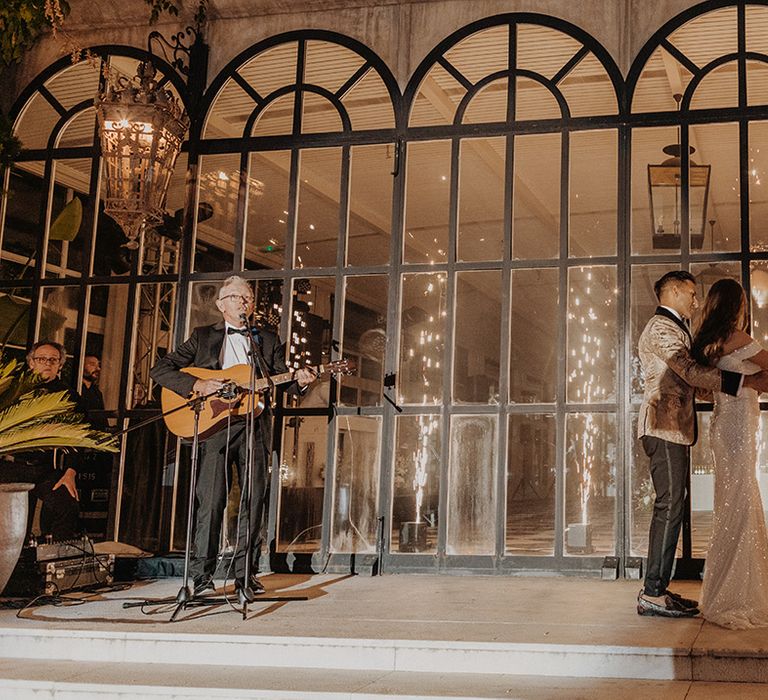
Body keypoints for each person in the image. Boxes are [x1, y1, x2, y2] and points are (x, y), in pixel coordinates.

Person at [150, 275, 315, 600]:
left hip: (254, 426)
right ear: (221, 303)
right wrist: (199, 385)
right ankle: (201, 577)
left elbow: (284, 380)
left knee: (254, 500)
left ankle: (245, 576)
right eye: (236, 297)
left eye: (247, 298)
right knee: (211, 502)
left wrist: (303, 380)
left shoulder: (266, 339)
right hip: (213, 425)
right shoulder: (201, 337)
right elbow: (161, 370)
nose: (243, 302)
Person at [636, 271, 768, 618]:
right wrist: (745, 381)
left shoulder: (678, 329)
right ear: (674, 291)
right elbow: (690, 372)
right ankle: (652, 592)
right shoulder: (661, 328)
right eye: (692, 294)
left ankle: (659, 589)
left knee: (673, 506)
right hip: (662, 426)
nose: (696, 302)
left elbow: (691, 381)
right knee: (669, 506)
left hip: (674, 428)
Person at [691, 279, 768, 628]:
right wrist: (759, 380)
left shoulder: (709, 344)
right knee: (741, 500)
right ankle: (739, 593)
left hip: (723, 426)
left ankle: (724, 590)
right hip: (739, 426)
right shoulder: (738, 338)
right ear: (736, 306)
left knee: (731, 502)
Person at [0, 341, 82, 540]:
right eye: (41, 359)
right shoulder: (14, 390)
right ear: (31, 363)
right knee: (12, 523)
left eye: (53, 360)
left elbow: (80, 436)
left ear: (60, 365)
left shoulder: (68, 395)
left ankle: (56, 560)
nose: (47, 363)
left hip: (45, 470)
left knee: (66, 504)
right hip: (10, 466)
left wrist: (70, 473)